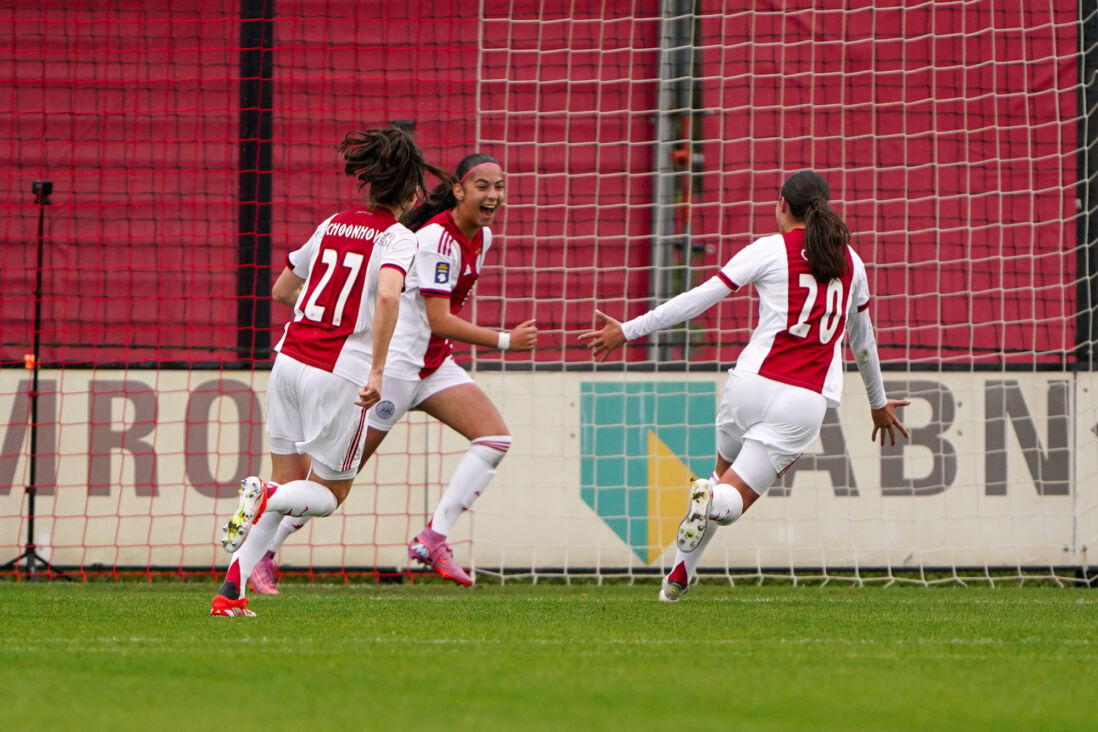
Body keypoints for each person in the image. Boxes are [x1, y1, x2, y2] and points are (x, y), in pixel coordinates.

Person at [579, 170, 909, 602]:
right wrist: (878, 402)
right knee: (728, 502)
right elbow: (863, 343)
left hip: (748, 386)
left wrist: (629, 330)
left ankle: (678, 576)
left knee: (720, 479)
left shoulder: (769, 249)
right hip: (803, 401)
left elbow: (696, 299)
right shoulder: (853, 262)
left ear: (781, 205)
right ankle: (708, 501)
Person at [252, 153, 537, 590]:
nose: (493, 195)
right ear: (459, 190)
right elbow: (437, 317)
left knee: (495, 437)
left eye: (499, 186)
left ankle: (432, 539)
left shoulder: (483, 237)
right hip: (397, 368)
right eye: (482, 186)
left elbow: (435, 326)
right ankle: (263, 552)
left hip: (434, 363)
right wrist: (505, 342)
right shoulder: (432, 240)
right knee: (331, 484)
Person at [210, 126, 446, 617]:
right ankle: (266, 494)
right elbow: (386, 295)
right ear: (408, 190)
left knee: (284, 492)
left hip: (289, 361)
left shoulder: (333, 223)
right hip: (337, 373)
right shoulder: (399, 238)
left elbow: (281, 290)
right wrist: (377, 370)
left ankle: (230, 593)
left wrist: (327, 310)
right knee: (328, 494)